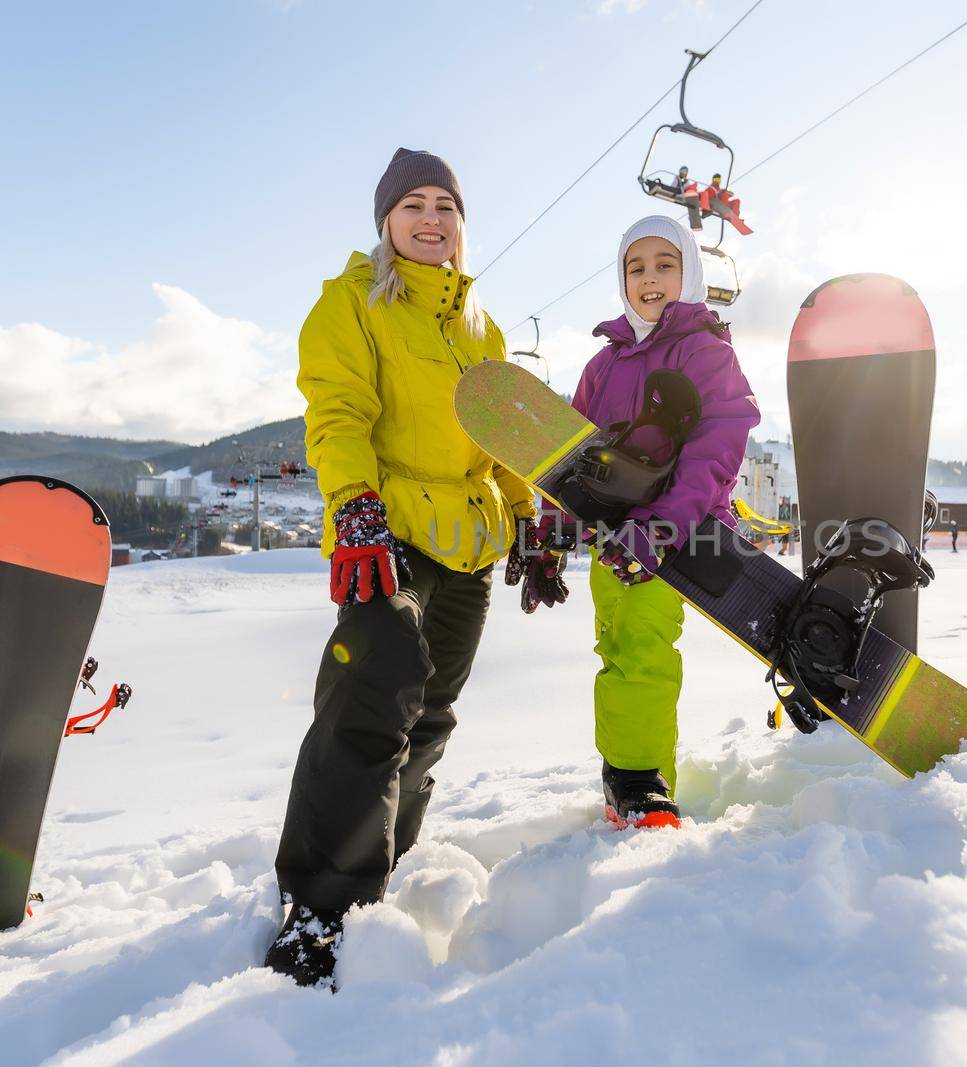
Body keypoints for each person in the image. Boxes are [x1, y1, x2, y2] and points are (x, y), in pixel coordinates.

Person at [264, 149, 537, 989]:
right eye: (412, 204)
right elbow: (339, 410)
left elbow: (505, 435)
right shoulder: (351, 303)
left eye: (445, 206)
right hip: (386, 531)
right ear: (386, 221)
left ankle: (383, 855)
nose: (430, 219)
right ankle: (320, 903)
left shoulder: (481, 328)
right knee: (372, 683)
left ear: (461, 225)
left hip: (468, 542)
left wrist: (531, 517)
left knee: (431, 715)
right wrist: (354, 502)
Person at [509, 214, 759, 830]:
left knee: (643, 646)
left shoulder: (706, 352)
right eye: (636, 267)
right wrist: (549, 539)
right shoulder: (603, 365)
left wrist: (664, 525)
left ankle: (638, 779)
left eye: (664, 265)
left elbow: (718, 446)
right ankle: (629, 772)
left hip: (678, 536)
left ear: (690, 274)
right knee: (615, 645)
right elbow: (569, 459)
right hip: (612, 539)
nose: (650, 279)